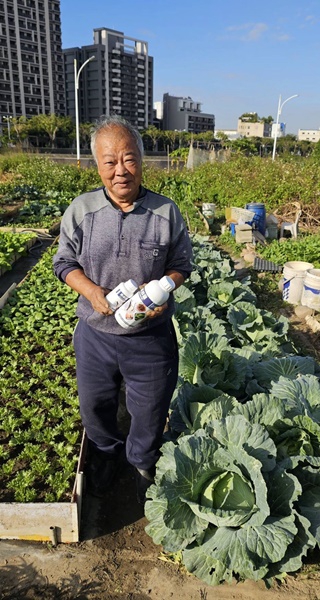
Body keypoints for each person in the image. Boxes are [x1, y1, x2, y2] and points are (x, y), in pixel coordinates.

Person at [53, 115, 193, 504]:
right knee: (95, 404)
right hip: (95, 335)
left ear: (142, 161)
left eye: (128, 159)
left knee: (150, 409)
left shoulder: (166, 212)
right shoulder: (82, 210)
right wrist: (93, 292)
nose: (120, 171)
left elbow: (181, 264)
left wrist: (162, 291)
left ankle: (143, 463)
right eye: (109, 161)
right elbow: (64, 263)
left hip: (150, 337)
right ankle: (107, 455)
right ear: (96, 165)